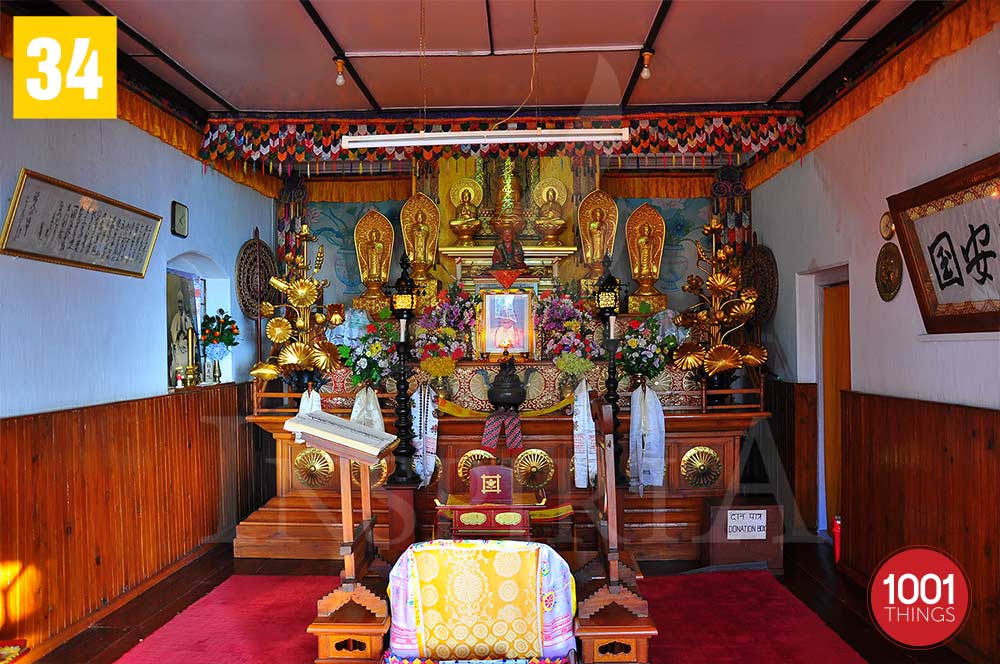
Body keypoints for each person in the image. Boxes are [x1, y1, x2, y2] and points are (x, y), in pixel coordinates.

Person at [169, 290, 194, 371]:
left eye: (181, 303)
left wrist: (185, 333)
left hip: (186, 344)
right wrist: (177, 335)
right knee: (178, 365)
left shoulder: (187, 318)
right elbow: (173, 331)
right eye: (178, 304)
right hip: (179, 344)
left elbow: (191, 330)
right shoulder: (176, 317)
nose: (180, 306)